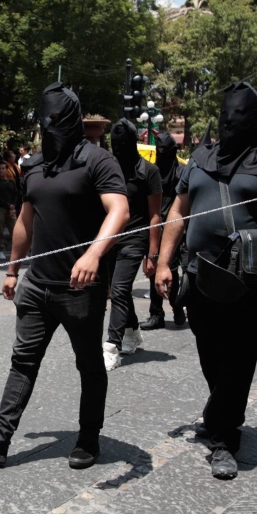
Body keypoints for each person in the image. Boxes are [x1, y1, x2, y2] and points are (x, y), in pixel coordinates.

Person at [0, 82, 128, 470]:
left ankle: (88, 437)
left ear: (72, 119)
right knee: (23, 361)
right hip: (36, 285)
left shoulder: (97, 160)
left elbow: (120, 211)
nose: (50, 126)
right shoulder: (33, 165)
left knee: (88, 363)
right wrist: (13, 270)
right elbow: (25, 222)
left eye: (57, 118)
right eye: (44, 118)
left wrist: (94, 254)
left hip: (80, 288)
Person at [154, 83, 257, 480]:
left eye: (240, 117)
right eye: (225, 116)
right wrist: (163, 263)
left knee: (238, 358)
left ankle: (223, 435)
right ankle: (222, 412)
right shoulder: (198, 160)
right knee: (209, 353)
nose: (230, 123)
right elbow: (178, 213)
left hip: (249, 282)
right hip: (201, 277)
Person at [102, 119, 161, 371]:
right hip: (111, 236)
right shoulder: (108, 168)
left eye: (123, 143)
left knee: (119, 289)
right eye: (115, 144)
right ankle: (133, 330)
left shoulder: (148, 171)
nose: (118, 148)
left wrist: (153, 253)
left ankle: (111, 346)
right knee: (119, 290)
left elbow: (156, 214)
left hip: (136, 237)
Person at [142, 132, 185, 330]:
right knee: (153, 269)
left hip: (175, 228)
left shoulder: (182, 173)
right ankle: (156, 314)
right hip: (154, 226)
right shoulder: (153, 172)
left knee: (170, 268)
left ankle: (177, 306)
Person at [0, 149, 21, 258]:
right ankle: (0, 250)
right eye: (0, 169)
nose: (2, 171)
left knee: (15, 230)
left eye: (3, 168)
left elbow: (15, 194)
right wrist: (8, 205)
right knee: (1, 230)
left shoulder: (11, 182)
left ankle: (18, 251)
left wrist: (13, 206)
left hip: (11, 208)